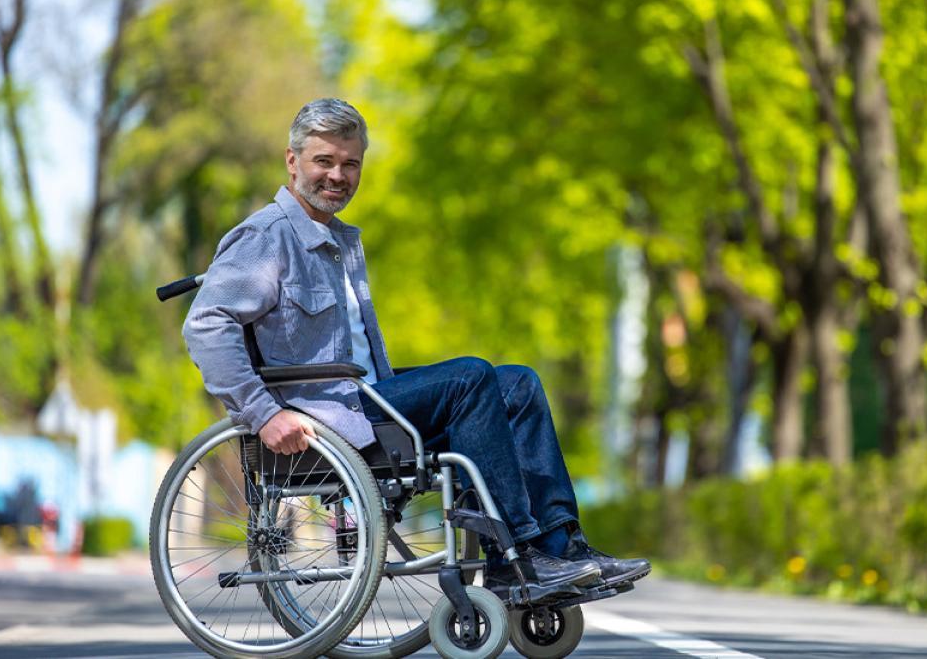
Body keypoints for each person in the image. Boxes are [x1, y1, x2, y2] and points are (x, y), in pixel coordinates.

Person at [183, 97, 649, 595]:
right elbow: (207, 325)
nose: (338, 175)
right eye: (324, 161)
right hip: (325, 417)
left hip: (365, 400)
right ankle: (518, 557)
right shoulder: (267, 238)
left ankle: (561, 548)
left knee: (517, 383)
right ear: (292, 161)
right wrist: (262, 414)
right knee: (469, 378)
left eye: (350, 163)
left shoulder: (338, 240)